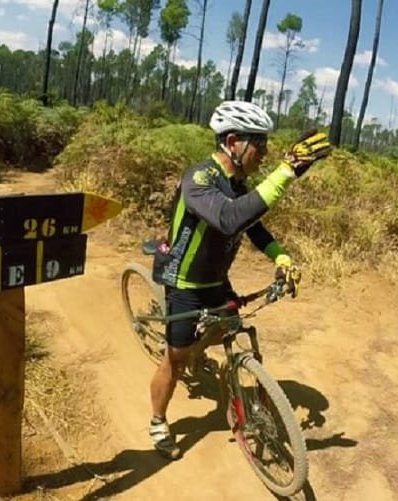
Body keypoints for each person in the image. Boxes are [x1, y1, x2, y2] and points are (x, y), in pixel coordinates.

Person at [148, 100, 331, 460]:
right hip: (183, 282)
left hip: (214, 279)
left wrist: (281, 256)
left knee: (229, 326)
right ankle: (157, 419)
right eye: (259, 144)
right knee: (176, 359)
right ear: (233, 142)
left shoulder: (238, 182)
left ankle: (200, 351)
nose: (265, 152)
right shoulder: (199, 178)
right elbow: (231, 219)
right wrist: (288, 170)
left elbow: (253, 225)